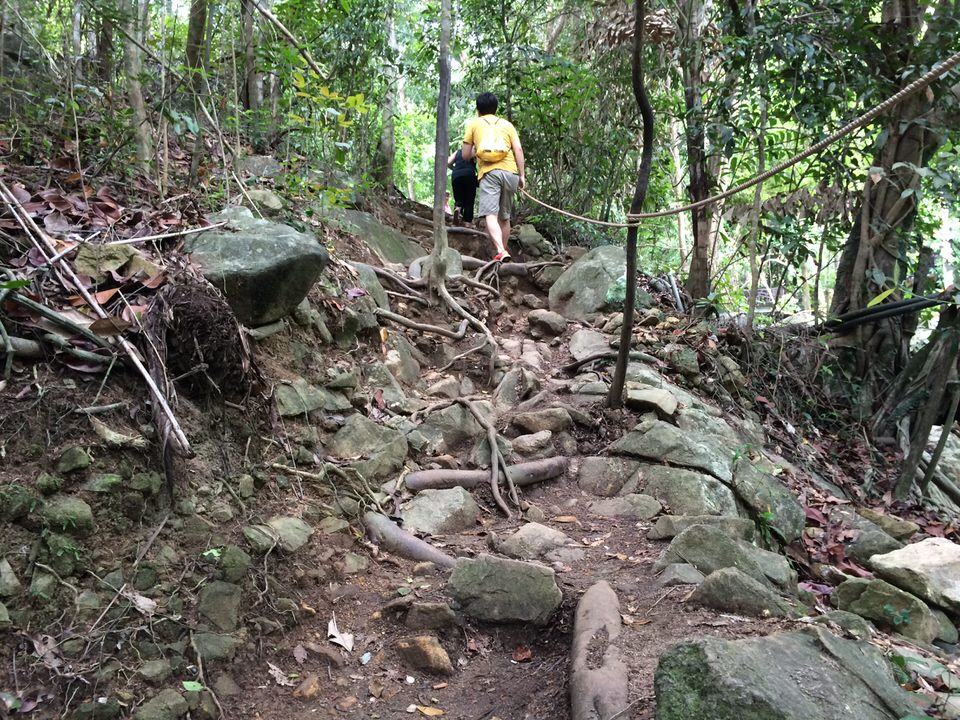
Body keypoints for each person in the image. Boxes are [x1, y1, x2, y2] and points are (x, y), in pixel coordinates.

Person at [461, 92, 525, 262]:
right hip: (510, 172)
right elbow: (518, 149)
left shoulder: (474, 124)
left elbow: (465, 155)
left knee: (490, 214)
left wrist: (478, 150)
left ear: (478, 109)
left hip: (490, 173)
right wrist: (522, 175)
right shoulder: (507, 125)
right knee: (504, 217)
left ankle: (500, 251)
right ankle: (502, 254)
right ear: (496, 108)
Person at [447, 147, 478, 226]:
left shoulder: (458, 151)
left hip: (456, 176)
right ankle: (467, 222)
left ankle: (458, 210)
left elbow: (448, 163)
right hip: (469, 175)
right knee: (469, 200)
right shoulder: (475, 150)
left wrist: (455, 169)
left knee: (459, 198)